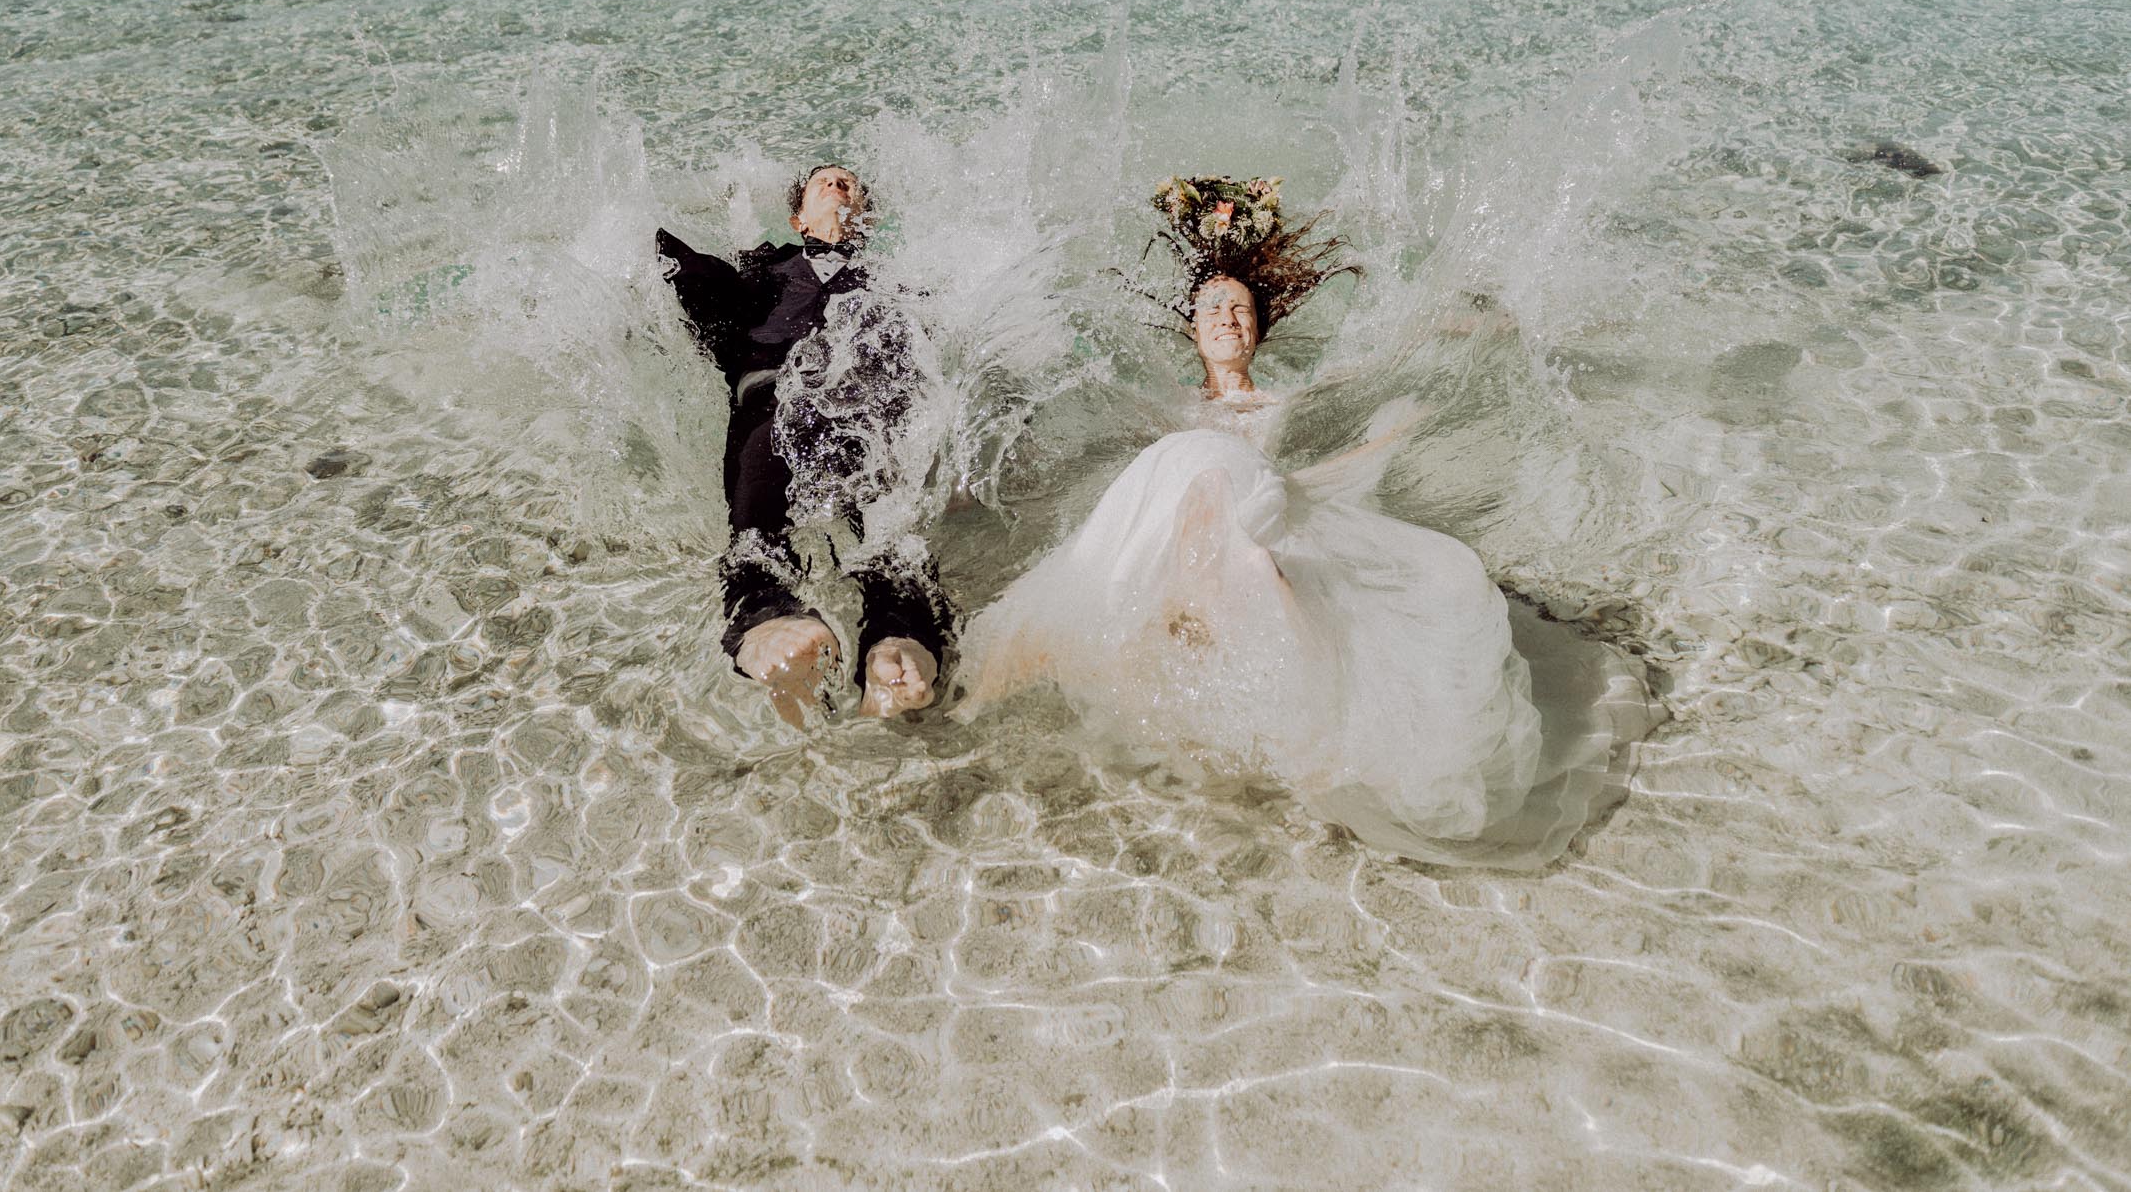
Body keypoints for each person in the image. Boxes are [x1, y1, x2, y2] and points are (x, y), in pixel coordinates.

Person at [957, 176, 1648, 868]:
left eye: (1240, 307)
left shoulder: (1288, 399)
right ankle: (1174, 613)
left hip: (1258, 514)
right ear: (1192, 331)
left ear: (1258, 328)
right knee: (1193, 461)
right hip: (1188, 519)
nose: (1228, 316)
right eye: (1213, 308)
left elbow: (1375, 379)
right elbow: (1102, 431)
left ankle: (1219, 607)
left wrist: (1449, 341)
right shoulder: (1163, 407)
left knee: (1231, 494)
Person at [656, 164, 950, 725]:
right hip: (775, 403)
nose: (838, 187)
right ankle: (771, 623)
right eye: (824, 182)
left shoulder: (897, 278)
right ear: (798, 218)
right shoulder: (765, 268)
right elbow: (702, 286)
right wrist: (640, 242)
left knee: (894, 539)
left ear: (867, 215)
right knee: (756, 537)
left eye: (848, 183)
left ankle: (896, 646)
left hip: (871, 415)